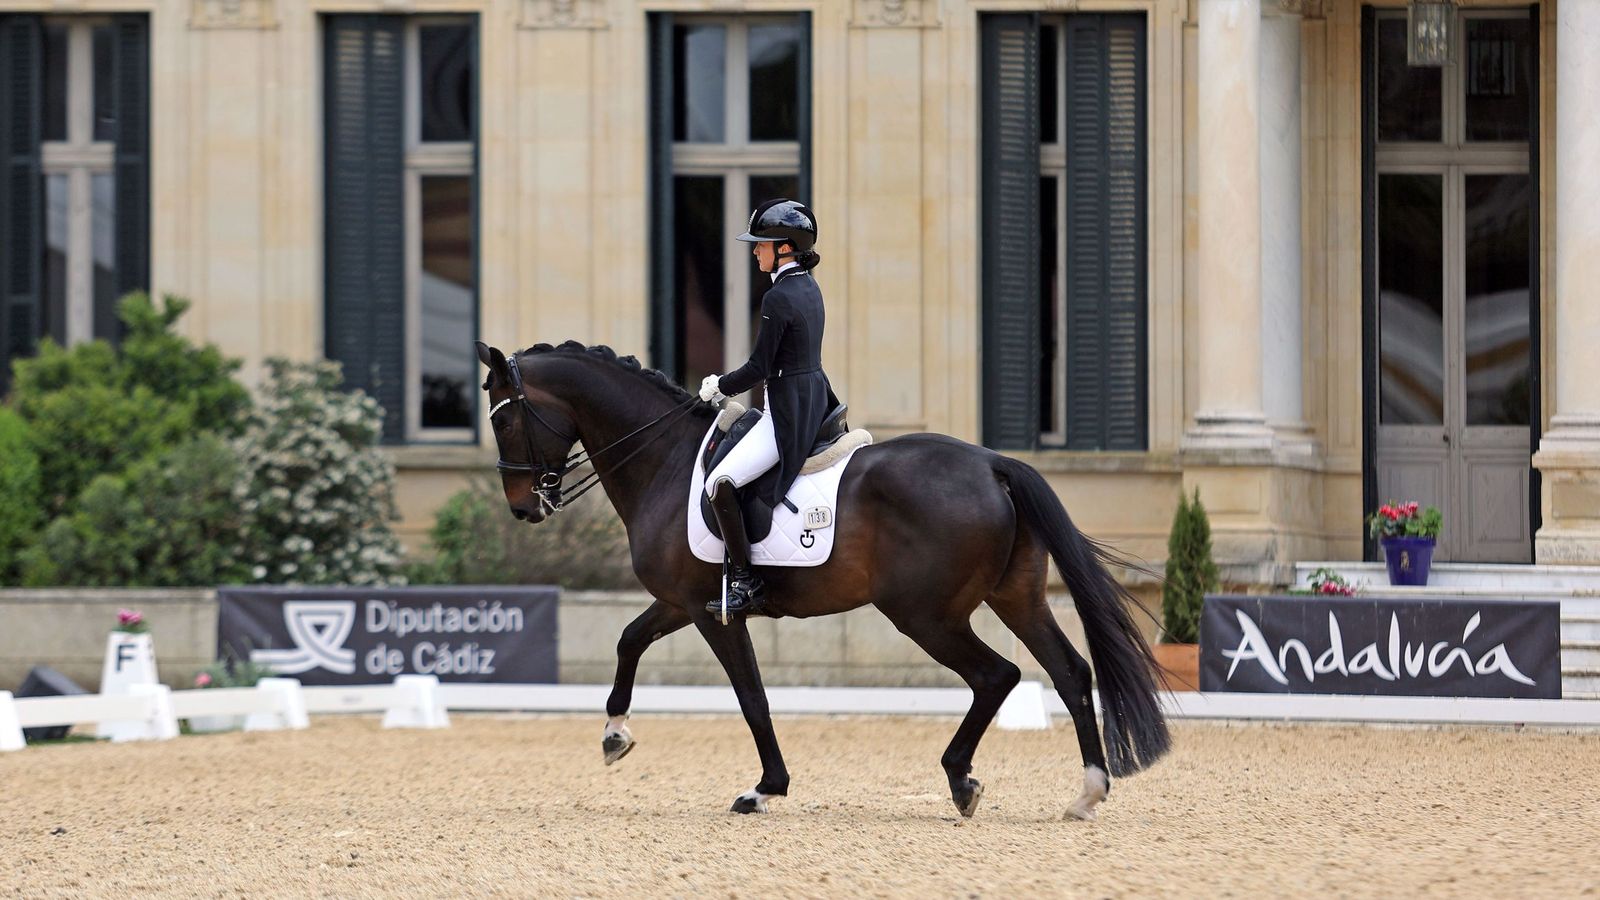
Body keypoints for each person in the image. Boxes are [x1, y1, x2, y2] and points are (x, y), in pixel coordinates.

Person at [698, 198, 839, 618]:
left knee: (719, 482)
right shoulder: (808, 285)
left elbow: (760, 366)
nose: (755, 250)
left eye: (761, 244)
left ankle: (744, 581)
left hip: (788, 412)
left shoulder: (778, 298)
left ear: (784, 247)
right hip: (813, 395)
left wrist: (717, 385)